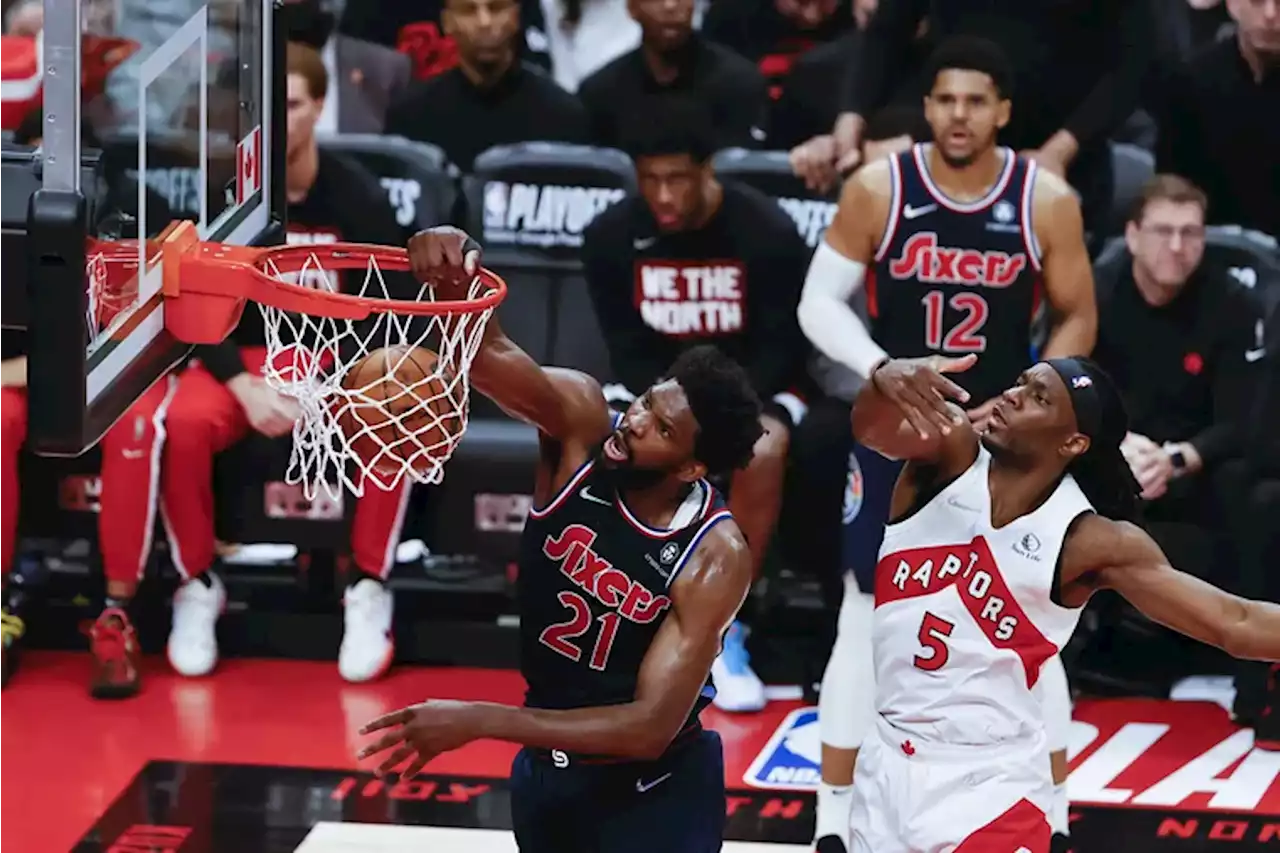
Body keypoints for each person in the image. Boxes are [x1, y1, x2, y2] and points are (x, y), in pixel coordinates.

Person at [357, 227, 761, 852]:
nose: (636, 422)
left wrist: (480, 720)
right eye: (648, 402)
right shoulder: (581, 425)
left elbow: (648, 728)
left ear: (690, 468)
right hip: (548, 777)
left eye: (662, 428)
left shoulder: (714, 553)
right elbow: (483, 354)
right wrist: (452, 278)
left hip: (656, 794)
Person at [796, 36, 1096, 851]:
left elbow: (1077, 315)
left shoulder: (1045, 197)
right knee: (865, 610)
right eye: (945, 100)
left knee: (1031, 621)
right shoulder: (878, 186)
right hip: (902, 432)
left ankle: (1058, 814)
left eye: (976, 101)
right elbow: (817, 304)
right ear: (926, 108)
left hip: (1002, 439)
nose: (959, 115)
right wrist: (881, 367)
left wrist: (1038, 393)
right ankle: (832, 817)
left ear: (1003, 111)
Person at [845, 351, 1280, 852]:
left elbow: (1236, 623)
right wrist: (884, 381)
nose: (1012, 394)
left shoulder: (1088, 540)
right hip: (884, 763)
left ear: (1073, 442)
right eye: (1020, 382)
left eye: (1038, 397)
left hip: (987, 788)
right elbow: (871, 430)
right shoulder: (949, 456)